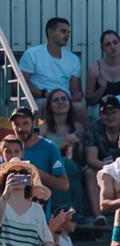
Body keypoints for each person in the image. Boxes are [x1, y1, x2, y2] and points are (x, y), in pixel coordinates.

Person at [0, 161, 62, 246]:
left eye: (22, 173)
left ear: (28, 179)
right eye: (12, 173)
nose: (17, 176)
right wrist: (5, 194)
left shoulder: (37, 209)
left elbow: (46, 245)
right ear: (6, 178)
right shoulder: (1, 202)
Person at [19, 17, 87, 124]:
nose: (67, 35)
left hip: (65, 100)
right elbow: (21, 82)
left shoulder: (73, 59)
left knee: (80, 108)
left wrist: (67, 100)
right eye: (63, 31)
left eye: (68, 32)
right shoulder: (32, 54)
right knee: (44, 104)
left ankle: (80, 140)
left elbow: (77, 91)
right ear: (50, 32)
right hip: (41, 98)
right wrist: (44, 94)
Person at [40, 89, 85, 218]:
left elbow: (82, 158)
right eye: (56, 100)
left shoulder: (78, 127)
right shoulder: (44, 126)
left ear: (69, 104)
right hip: (50, 168)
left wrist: (79, 144)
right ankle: (69, 213)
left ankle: (75, 214)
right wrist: (62, 144)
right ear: (50, 105)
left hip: (74, 166)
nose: (60, 102)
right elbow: (42, 152)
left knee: (69, 165)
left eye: (64, 99)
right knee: (63, 164)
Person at [9, 106, 68, 202]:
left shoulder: (50, 148)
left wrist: (36, 172)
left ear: (33, 123)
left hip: (39, 211)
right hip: (10, 211)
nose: (20, 128)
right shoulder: (7, 148)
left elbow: (64, 185)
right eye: (16, 124)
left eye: (25, 123)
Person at [84, 95, 120, 224]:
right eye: (105, 113)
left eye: (113, 112)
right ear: (100, 115)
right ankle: (98, 216)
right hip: (100, 168)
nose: (110, 117)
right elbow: (91, 159)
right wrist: (107, 167)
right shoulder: (94, 129)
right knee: (89, 172)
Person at [85, 29, 120, 115]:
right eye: (108, 44)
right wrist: (102, 88)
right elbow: (89, 101)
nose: (113, 47)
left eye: (115, 42)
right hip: (101, 110)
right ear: (102, 48)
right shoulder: (94, 68)